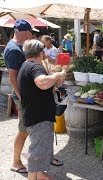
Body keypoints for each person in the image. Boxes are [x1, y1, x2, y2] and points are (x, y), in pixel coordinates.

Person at [18, 39, 66, 180]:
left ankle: (40, 175)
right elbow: (42, 83)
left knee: (40, 149)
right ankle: (33, 177)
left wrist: (54, 79)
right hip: (39, 118)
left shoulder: (25, 65)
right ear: (40, 52)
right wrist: (56, 75)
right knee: (37, 152)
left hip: (33, 115)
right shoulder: (35, 67)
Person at [3, 19, 37, 174]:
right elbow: (12, 78)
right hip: (23, 96)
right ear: (25, 32)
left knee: (28, 129)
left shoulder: (17, 47)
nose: (31, 35)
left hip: (26, 94)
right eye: (30, 32)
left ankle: (30, 159)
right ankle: (16, 162)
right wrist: (22, 98)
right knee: (23, 129)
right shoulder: (14, 50)